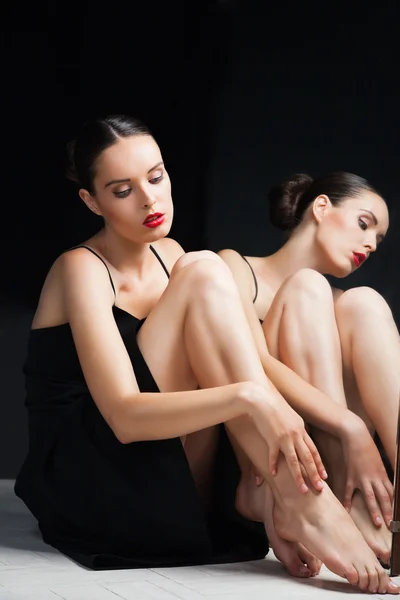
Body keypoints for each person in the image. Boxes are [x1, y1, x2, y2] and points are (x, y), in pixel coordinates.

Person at [14, 118, 398, 594]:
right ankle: (304, 506)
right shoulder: (80, 268)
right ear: (92, 201)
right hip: (94, 479)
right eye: (121, 190)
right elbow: (124, 418)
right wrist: (248, 399)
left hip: (178, 474)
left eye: (156, 177)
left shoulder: (170, 253)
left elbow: (251, 363)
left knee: (202, 267)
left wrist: (330, 431)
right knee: (204, 269)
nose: (150, 200)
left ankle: (281, 498)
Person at [219, 171, 399, 577]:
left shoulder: (342, 306)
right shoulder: (236, 268)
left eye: (378, 239)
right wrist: (351, 427)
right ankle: (333, 502)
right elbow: (248, 362)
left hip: (339, 460)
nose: (370, 244)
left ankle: (371, 497)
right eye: (364, 224)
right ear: (321, 207)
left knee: (365, 303)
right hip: (267, 459)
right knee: (307, 287)